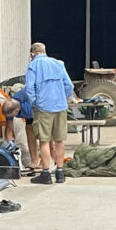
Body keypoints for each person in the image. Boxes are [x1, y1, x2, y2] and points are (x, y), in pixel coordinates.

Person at [24, 42, 77, 184]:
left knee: (44, 141)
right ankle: (60, 172)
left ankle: (46, 174)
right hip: (60, 107)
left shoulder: (33, 66)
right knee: (59, 141)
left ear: (32, 54)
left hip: (43, 108)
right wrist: (62, 98)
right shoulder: (58, 64)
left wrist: (35, 103)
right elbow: (69, 85)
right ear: (45, 51)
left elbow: (29, 88)